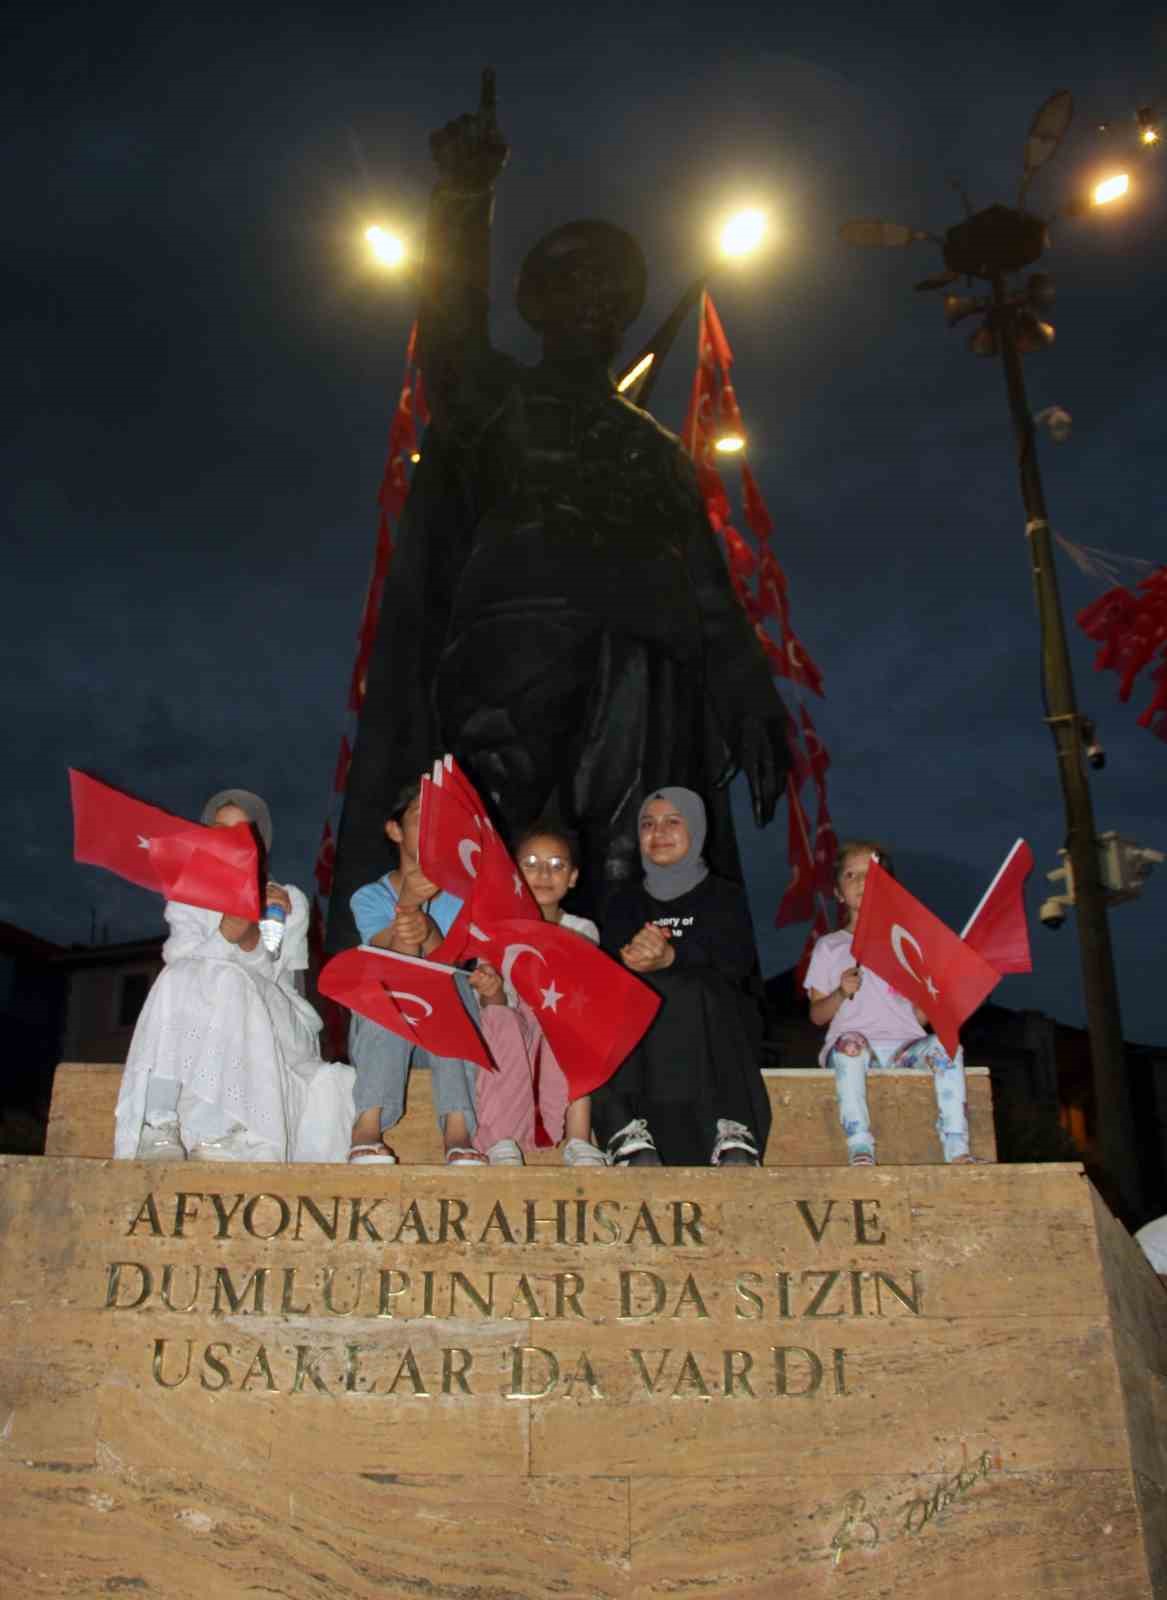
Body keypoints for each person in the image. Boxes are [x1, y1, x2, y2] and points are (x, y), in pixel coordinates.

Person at [114, 789, 351, 1163]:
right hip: (199, 1004)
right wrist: (227, 932)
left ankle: (217, 1130)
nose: (230, 838)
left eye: (241, 830)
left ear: (259, 841)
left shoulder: (286, 898)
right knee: (180, 977)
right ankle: (159, 1123)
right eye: (219, 829)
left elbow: (273, 970)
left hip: (273, 1015)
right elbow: (180, 959)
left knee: (228, 979)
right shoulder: (187, 895)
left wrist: (250, 929)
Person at [590, 788, 771, 1167]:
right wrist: (628, 960)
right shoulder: (623, 902)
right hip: (644, 1041)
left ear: (697, 829)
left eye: (673, 821)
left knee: (694, 987)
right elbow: (606, 967)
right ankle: (625, 1130)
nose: (659, 832)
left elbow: (737, 965)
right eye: (648, 824)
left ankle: (731, 1126)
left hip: (714, 1029)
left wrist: (673, 956)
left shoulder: (727, 897)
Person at [805, 841, 972, 1167]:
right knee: (850, 1045)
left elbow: (920, 1016)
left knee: (949, 1046)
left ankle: (956, 1144)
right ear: (839, 892)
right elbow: (816, 1015)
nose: (861, 882)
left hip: (904, 1049)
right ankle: (859, 1143)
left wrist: (946, 996)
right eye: (851, 875)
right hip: (853, 1048)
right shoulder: (830, 947)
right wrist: (839, 993)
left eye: (872, 875)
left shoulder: (907, 943)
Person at [347, 778, 485, 1166]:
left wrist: (431, 934)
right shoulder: (369, 897)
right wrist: (407, 904)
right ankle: (367, 1126)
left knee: (454, 982)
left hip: (444, 1043)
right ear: (394, 830)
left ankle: (458, 1130)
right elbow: (386, 958)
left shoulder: (463, 896)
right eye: (420, 818)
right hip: (387, 1041)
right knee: (383, 980)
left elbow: (451, 967)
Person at [470, 825, 606, 1167]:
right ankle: (503, 1138)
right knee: (500, 1018)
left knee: (576, 1021)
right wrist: (493, 990)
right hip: (512, 1032)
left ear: (573, 877)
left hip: (556, 1031)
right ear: (513, 873)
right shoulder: (495, 931)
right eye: (530, 863)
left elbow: (581, 981)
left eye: (557, 865)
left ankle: (578, 1136)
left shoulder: (582, 929)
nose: (544, 874)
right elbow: (493, 1007)